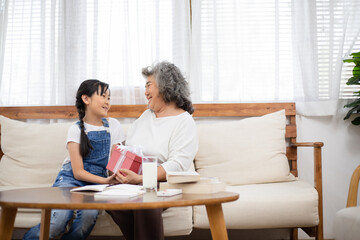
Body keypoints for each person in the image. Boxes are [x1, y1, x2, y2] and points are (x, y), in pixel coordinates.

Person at [106, 61, 199, 240]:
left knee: (146, 201)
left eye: (149, 85)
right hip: (134, 178)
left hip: (163, 182)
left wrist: (141, 179)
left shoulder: (184, 121)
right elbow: (131, 146)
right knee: (109, 199)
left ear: (165, 86)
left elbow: (178, 164)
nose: (145, 92)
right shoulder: (146, 116)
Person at [23, 79, 125, 240]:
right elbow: (78, 172)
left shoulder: (114, 126)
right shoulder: (75, 129)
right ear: (86, 99)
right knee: (58, 220)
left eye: (109, 98)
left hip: (96, 184)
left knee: (88, 216)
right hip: (70, 180)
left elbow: (115, 164)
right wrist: (105, 181)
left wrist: (114, 179)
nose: (107, 102)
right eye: (103, 96)